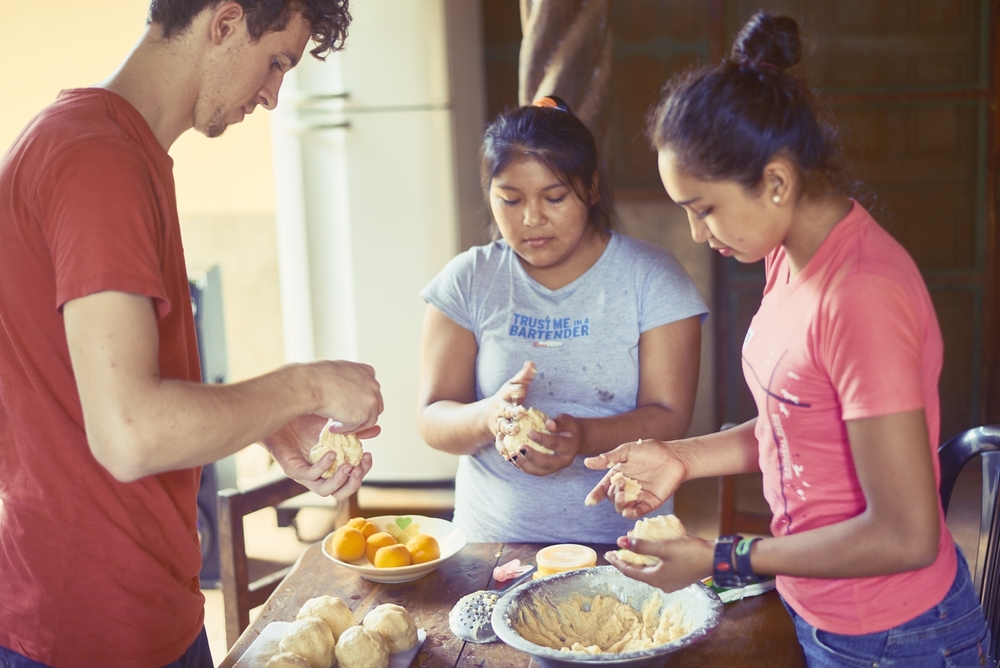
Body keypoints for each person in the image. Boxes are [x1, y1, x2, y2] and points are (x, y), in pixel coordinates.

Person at [585, 11, 992, 667]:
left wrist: (725, 558)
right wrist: (681, 458)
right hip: (826, 614)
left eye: (704, 208)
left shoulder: (860, 296)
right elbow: (799, 426)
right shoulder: (790, 255)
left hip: (897, 637)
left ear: (775, 181)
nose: (696, 235)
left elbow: (906, 534)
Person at [0, 2, 384, 667]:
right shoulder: (97, 161)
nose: (271, 95)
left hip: (145, 605)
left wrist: (266, 419)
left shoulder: (108, 147)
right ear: (225, 21)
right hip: (91, 631)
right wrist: (308, 383)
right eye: (275, 63)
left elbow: (108, 384)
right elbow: (130, 432)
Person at [417, 96, 708, 544]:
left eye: (554, 197)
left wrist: (584, 436)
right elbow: (434, 419)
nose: (531, 219)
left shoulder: (651, 277)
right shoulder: (469, 280)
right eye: (509, 200)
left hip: (623, 545)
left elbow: (671, 415)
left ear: (591, 189)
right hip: (490, 546)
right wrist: (489, 416)